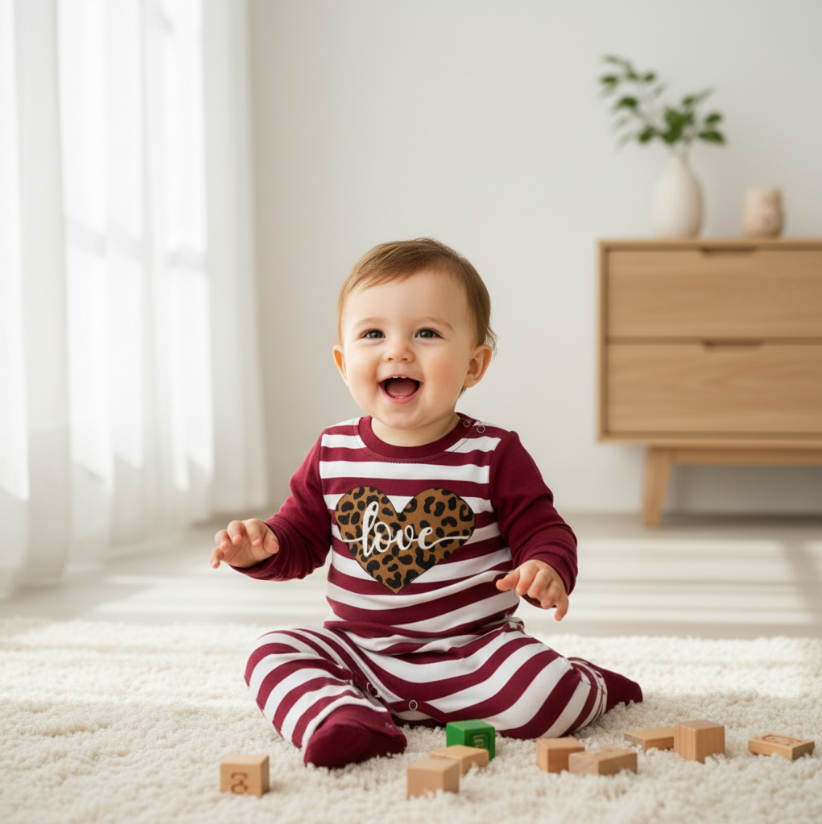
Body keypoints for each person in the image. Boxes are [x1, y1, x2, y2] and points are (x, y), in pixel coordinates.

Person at [210, 238, 642, 769]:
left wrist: (544, 565)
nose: (398, 351)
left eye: (427, 333)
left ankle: (592, 685)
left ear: (474, 365)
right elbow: (299, 538)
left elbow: (544, 529)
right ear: (344, 363)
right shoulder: (332, 450)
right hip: (360, 653)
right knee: (270, 652)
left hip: (473, 652)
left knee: (544, 695)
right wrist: (263, 547)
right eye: (373, 334)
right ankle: (348, 719)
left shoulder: (492, 453)